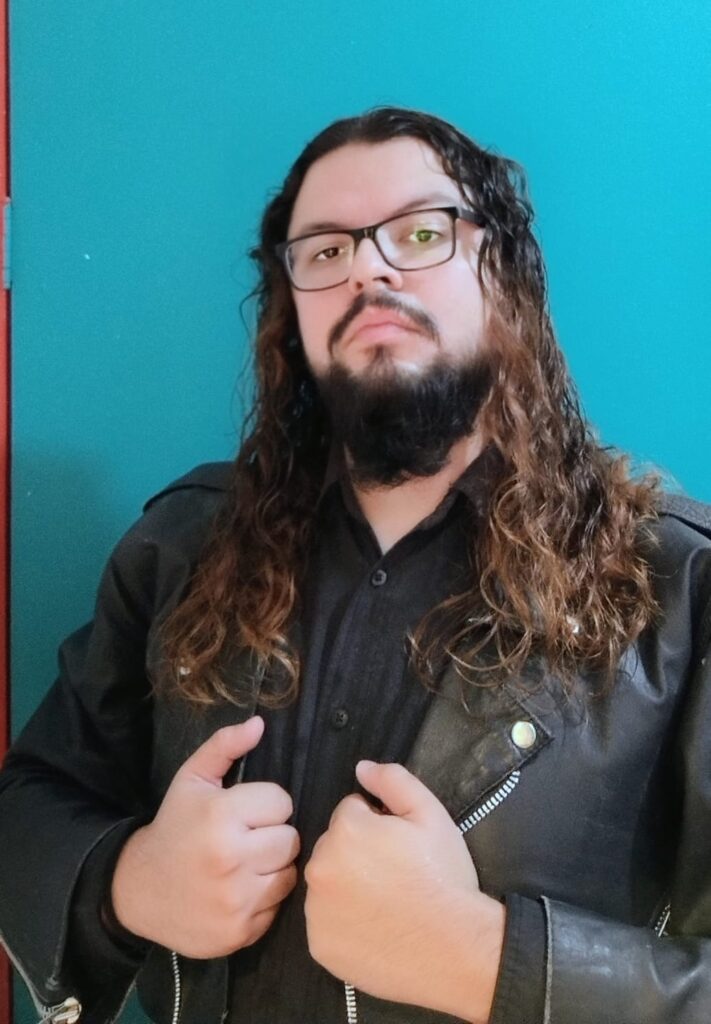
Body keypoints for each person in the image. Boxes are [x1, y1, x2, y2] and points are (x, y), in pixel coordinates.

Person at [1, 106, 710, 1024]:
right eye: (326, 250)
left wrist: (485, 961)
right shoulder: (179, 548)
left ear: (501, 275)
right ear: (290, 309)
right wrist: (128, 884)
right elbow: (29, 805)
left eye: (419, 233)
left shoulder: (675, 584)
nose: (368, 269)